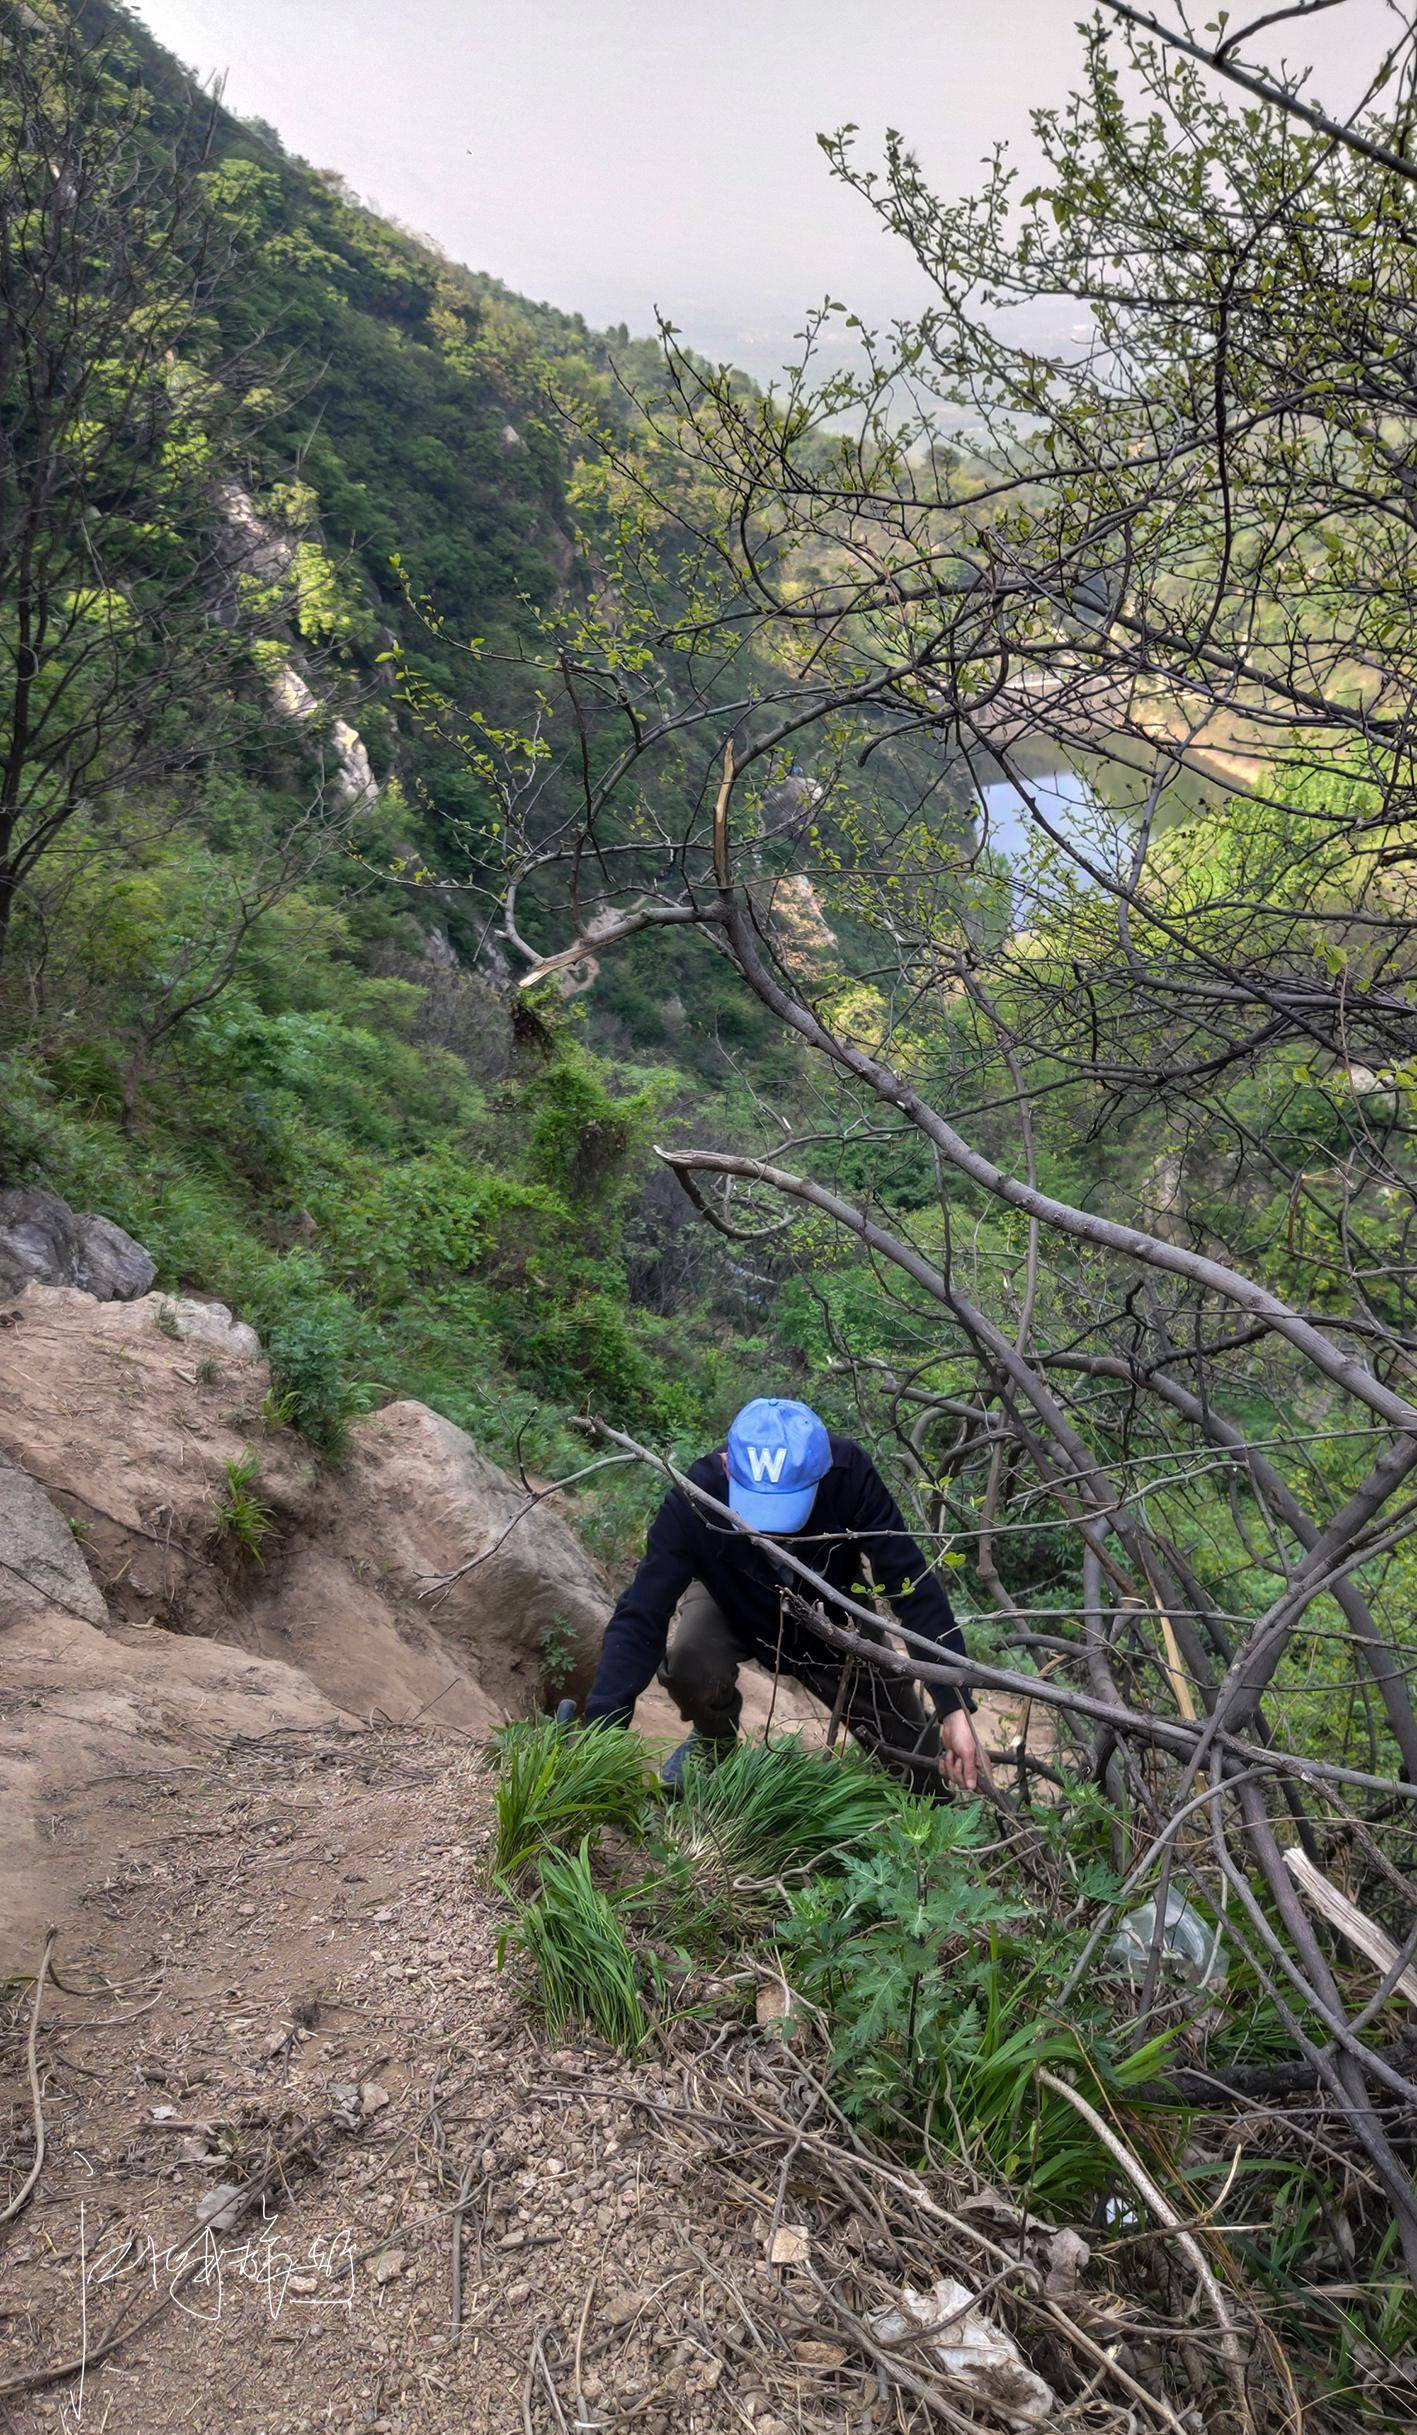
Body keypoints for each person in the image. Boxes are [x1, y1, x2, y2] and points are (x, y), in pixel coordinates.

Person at [582, 1396, 982, 1795]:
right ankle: (713, 1740)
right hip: (732, 1601)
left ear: (823, 1473)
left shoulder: (849, 1475)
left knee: (916, 1763)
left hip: (833, 1618)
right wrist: (601, 1735)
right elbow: (642, 1613)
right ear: (726, 1465)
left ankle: (934, 1808)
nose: (771, 1533)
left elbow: (912, 1585)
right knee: (692, 1660)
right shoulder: (696, 1495)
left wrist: (955, 1705)